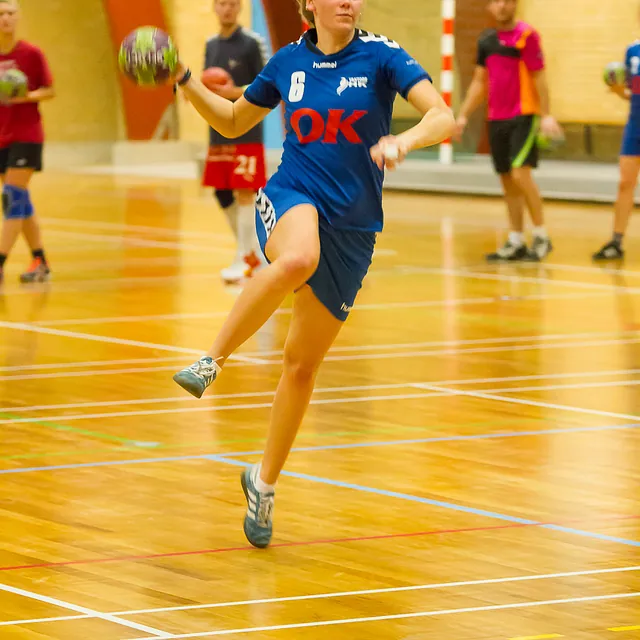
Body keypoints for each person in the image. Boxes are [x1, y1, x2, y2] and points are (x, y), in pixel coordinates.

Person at [172, 0, 455, 548]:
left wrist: (404, 140)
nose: (348, 1)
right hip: (292, 195)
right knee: (299, 257)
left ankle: (263, 482)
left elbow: (441, 115)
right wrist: (186, 80)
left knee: (301, 367)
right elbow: (232, 120)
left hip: (354, 228)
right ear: (312, 5)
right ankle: (211, 360)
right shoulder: (287, 62)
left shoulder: (381, 56)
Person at [455, 0, 562, 262]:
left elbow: (539, 76)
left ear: (515, 5)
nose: (501, 6)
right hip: (496, 118)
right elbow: (480, 81)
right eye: (496, 2)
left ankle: (541, 236)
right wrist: (463, 116)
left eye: (506, 1)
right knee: (506, 179)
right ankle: (516, 240)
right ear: (489, 7)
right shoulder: (486, 40)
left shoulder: (527, 36)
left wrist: (546, 114)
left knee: (520, 174)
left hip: (523, 115)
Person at [202, 0, 269, 284]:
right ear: (214, 7)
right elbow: (207, 86)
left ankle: (244, 258)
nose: (226, 9)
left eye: (231, 4)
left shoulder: (252, 43)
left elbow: (267, 85)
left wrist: (234, 93)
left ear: (239, 7)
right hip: (218, 131)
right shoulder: (210, 44)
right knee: (222, 194)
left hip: (246, 130)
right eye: (221, 3)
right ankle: (253, 253)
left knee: (245, 193)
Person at [0, 0, 54, 284]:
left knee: (12, 196)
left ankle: (0, 262)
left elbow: (49, 90)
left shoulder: (31, 53)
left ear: (18, 17)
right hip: (2, 136)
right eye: (0, 13)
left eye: (10, 13)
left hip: (27, 135)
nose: (5, 18)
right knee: (21, 200)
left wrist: (25, 96)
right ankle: (40, 260)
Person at [593, 31, 640, 260]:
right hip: (635, 127)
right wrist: (620, 91)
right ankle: (616, 242)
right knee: (625, 183)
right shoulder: (633, 51)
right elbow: (635, 92)